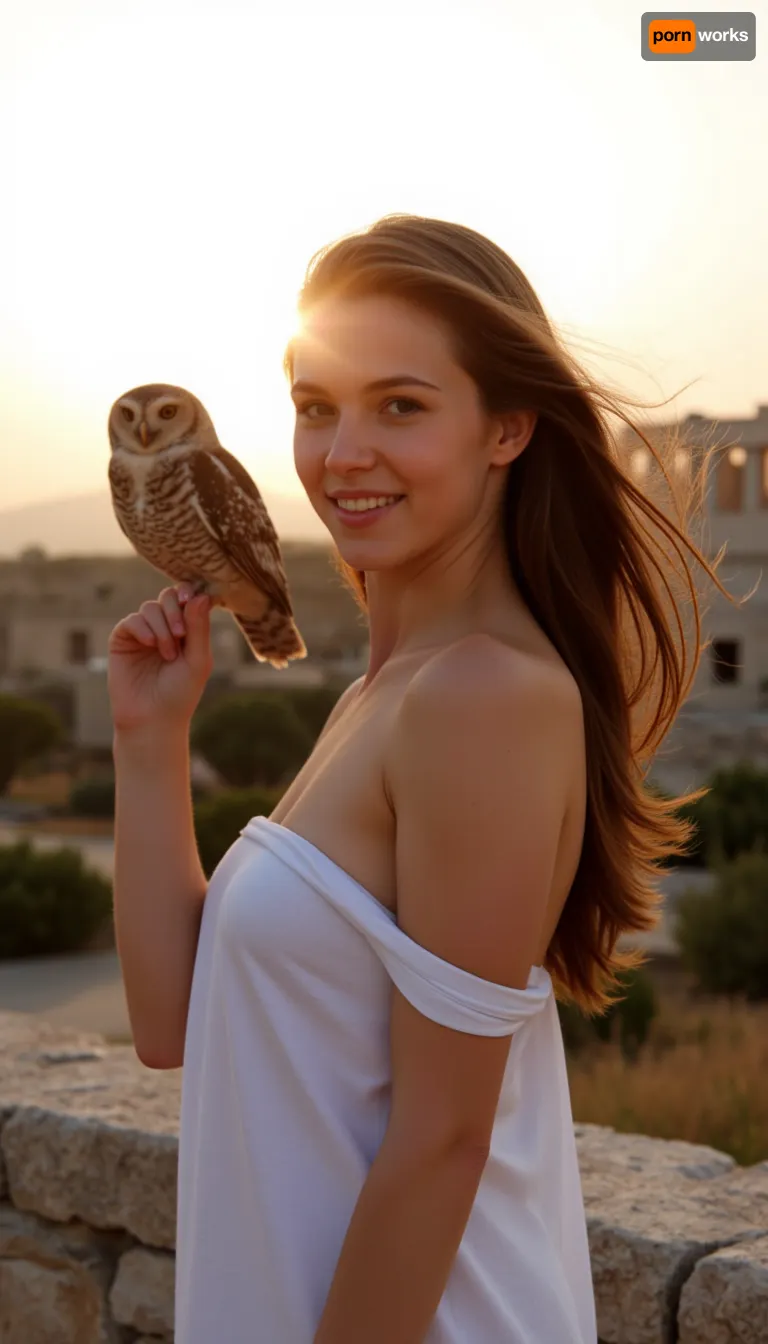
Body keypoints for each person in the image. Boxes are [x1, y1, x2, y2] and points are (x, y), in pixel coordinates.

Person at [108, 214, 731, 1344]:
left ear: (506, 427)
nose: (343, 453)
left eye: (400, 406)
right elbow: (173, 1023)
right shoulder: (387, 691)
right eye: (316, 408)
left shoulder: (481, 697)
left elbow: (444, 1144)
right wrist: (148, 742)